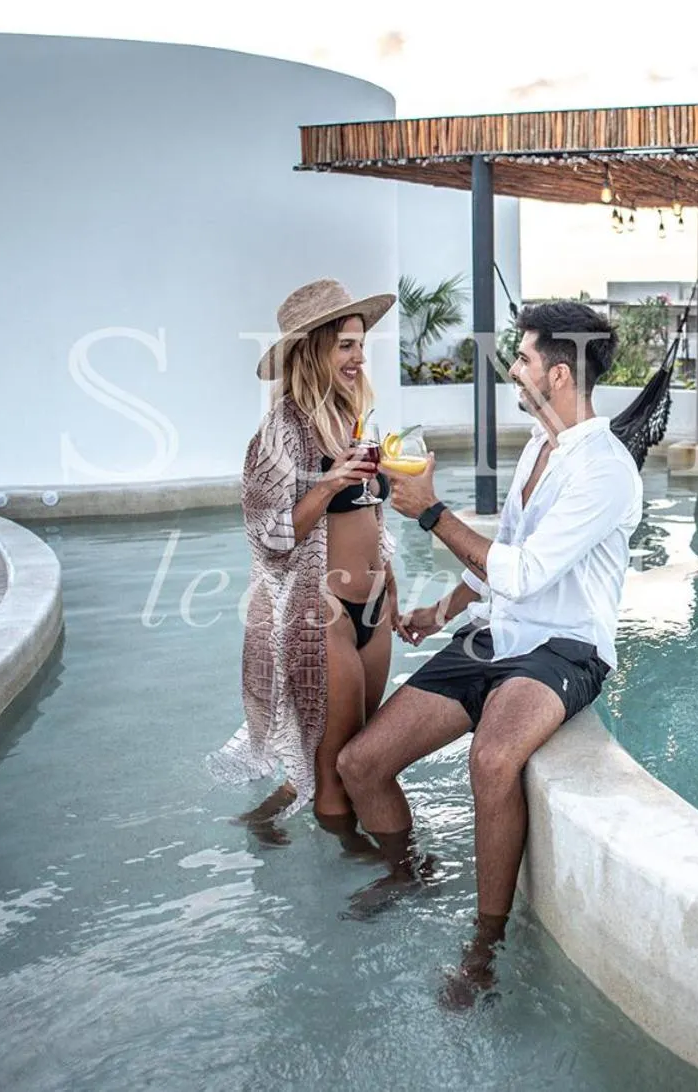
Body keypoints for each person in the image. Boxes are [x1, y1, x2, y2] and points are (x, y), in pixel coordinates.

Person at [337, 301, 642, 1007]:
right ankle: (406, 870)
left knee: (493, 758)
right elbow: (498, 558)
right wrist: (435, 613)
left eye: (525, 358)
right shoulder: (539, 446)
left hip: (565, 645)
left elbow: (526, 572)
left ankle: (484, 943)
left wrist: (431, 512)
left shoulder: (604, 469)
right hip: (495, 636)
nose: (514, 368)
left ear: (558, 374)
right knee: (361, 762)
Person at [208, 278, 400, 847]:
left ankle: (272, 820)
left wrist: (394, 588)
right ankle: (347, 870)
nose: (359, 356)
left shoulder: (356, 421)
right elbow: (269, 534)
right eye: (345, 344)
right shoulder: (279, 433)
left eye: (361, 344)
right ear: (313, 349)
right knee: (331, 768)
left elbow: (374, 524)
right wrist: (329, 482)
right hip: (324, 612)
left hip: (375, 609)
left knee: (359, 753)